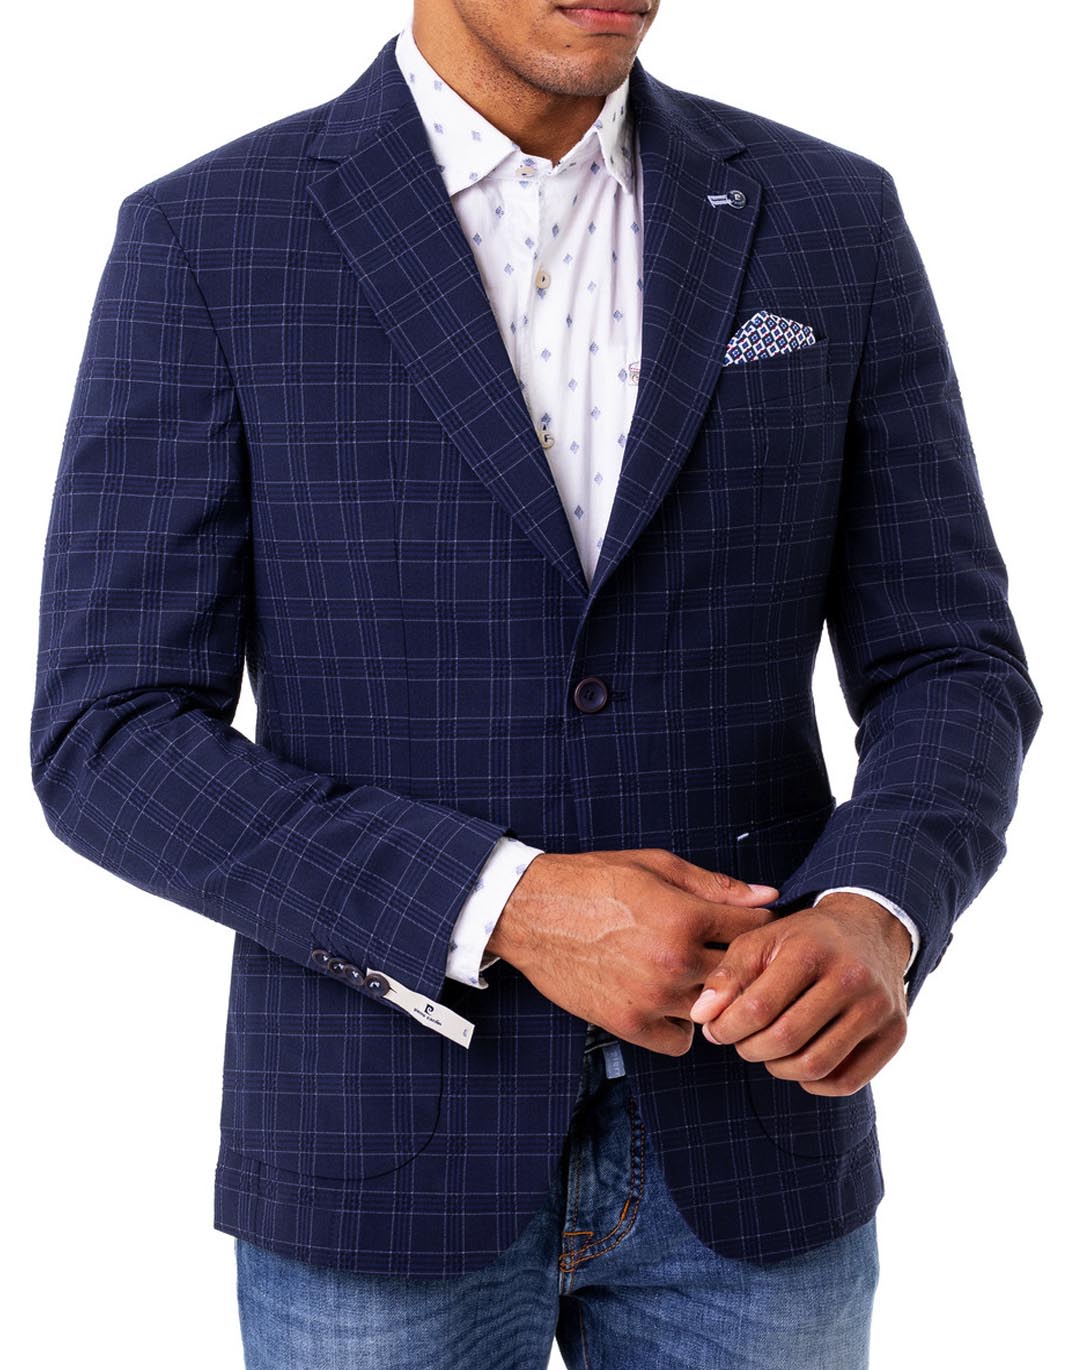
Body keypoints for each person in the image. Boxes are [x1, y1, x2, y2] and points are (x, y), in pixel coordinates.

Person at [30, 2, 1041, 1366]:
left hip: (758, 1133)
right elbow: (111, 734)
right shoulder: (212, 238)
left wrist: (881, 904)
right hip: (377, 1146)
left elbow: (951, 657)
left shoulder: (829, 217)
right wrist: (503, 902)